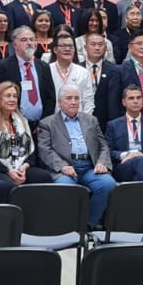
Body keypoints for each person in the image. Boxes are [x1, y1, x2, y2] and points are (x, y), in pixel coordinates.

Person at [37, 85, 118, 226]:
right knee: (66, 187)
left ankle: (88, 225)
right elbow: (45, 150)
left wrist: (102, 162)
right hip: (65, 167)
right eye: (69, 98)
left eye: (76, 98)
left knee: (108, 184)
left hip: (89, 166)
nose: (73, 102)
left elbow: (103, 145)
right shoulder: (47, 123)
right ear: (59, 102)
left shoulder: (91, 120)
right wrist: (62, 166)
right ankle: (69, 227)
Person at [0, 81, 52, 188]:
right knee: (8, 185)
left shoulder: (22, 120)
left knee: (43, 177)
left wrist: (24, 167)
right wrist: (9, 171)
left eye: (15, 96)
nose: (12, 99)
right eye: (8, 96)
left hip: (21, 166)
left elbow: (32, 152)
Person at [0, 26, 55, 123]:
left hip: (41, 125)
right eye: (24, 40)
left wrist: (44, 122)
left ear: (36, 44)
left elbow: (50, 97)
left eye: (32, 40)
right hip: (13, 124)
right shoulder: (2, 67)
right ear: (15, 45)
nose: (29, 43)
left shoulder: (44, 67)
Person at [104, 85, 143, 182]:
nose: (136, 101)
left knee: (139, 173)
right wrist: (126, 155)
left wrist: (141, 157)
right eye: (131, 98)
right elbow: (109, 151)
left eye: (138, 97)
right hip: (124, 166)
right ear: (124, 102)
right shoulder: (113, 125)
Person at [46, 33, 91, 117]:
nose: (67, 49)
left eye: (70, 46)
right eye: (63, 46)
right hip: (53, 122)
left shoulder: (83, 72)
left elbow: (88, 101)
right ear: (55, 49)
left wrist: (84, 121)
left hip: (78, 121)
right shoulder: (47, 70)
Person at [80, 33, 115, 123]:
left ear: (105, 48)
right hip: (82, 118)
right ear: (85, 47)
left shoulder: (114, 70)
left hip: (106, 120)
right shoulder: (78, 69)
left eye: (100, 44)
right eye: (93, 44)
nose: (97, 48)